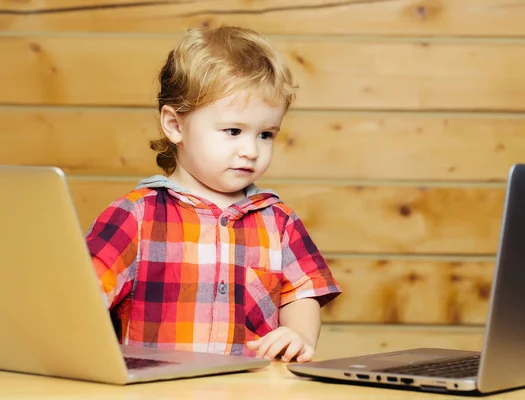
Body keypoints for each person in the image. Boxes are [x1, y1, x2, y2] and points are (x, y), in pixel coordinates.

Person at [85, 26, 342, 363]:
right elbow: (83, 295)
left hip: (252, 388)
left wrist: (299, 334)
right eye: (233, 131)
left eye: (266, 135)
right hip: (156, 390)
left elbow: (302, 294)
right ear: (175, 125)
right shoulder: (136, 215)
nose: (251, 150)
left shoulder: (278, 221)